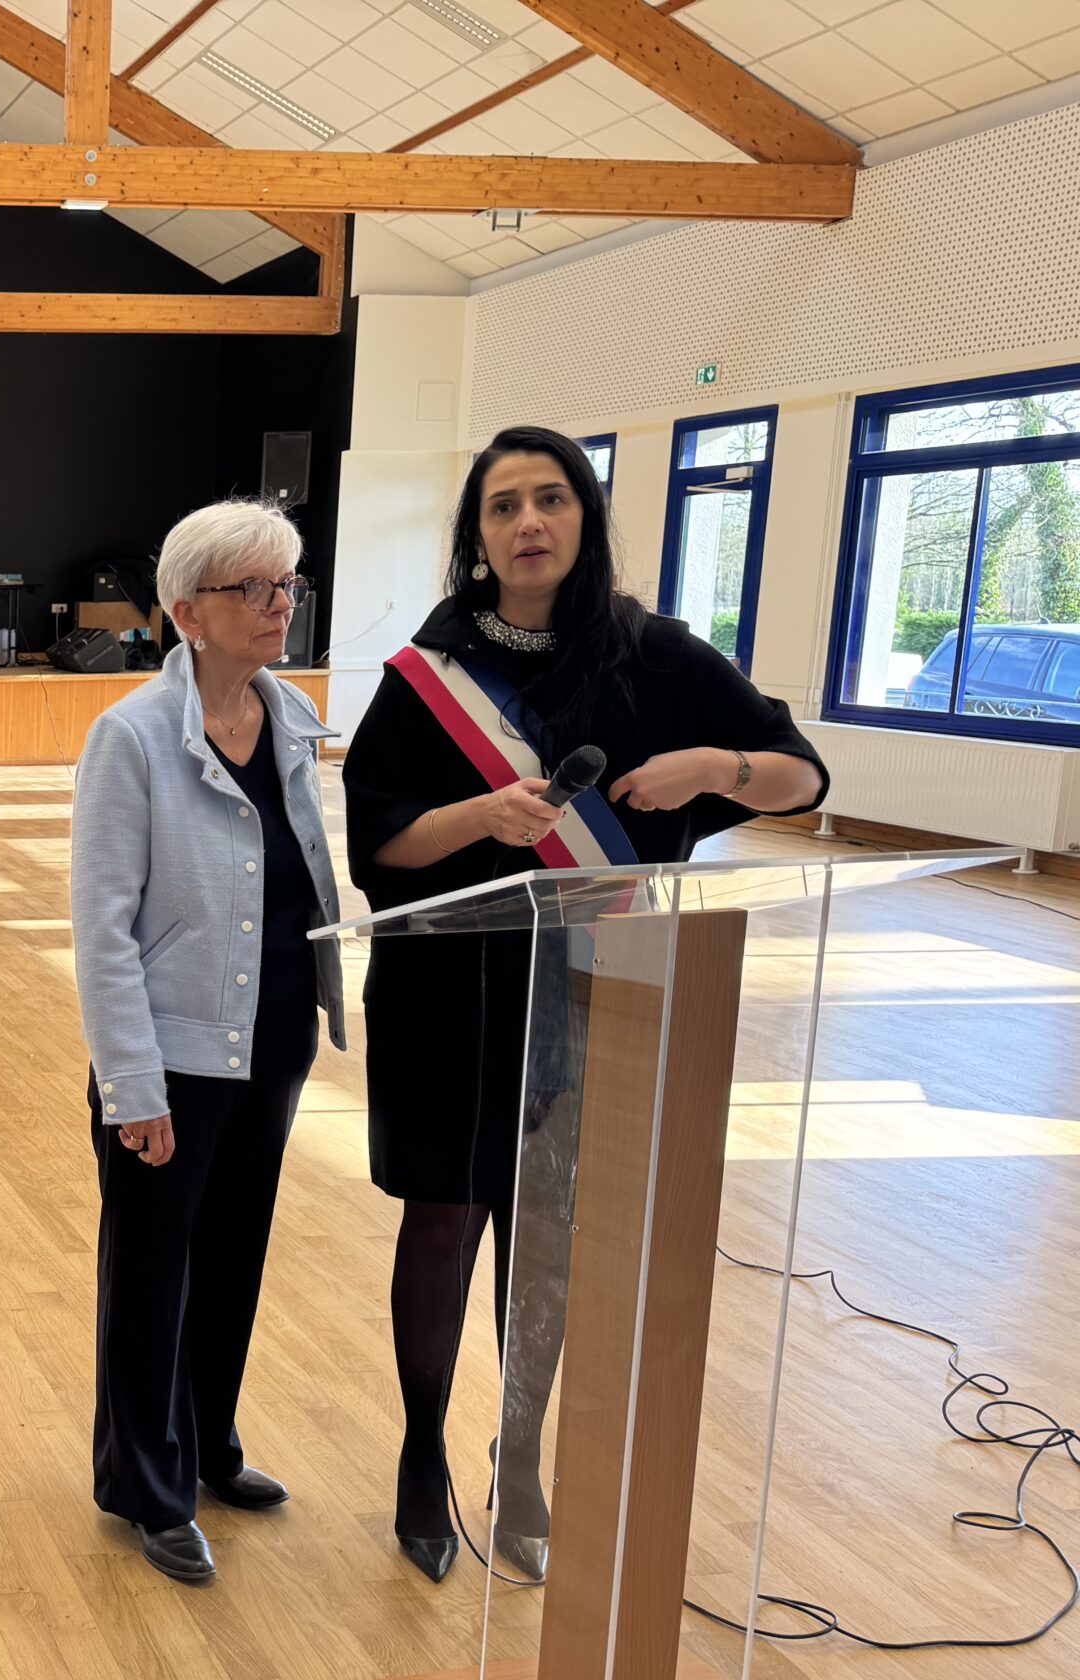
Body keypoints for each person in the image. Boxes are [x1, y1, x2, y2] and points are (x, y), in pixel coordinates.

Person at [342, 425, 827, 1585]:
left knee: (549, 1232)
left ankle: (521, 1458)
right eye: (503, 505)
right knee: (444, 1218)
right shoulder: (426, 673)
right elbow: (378, 846)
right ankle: (421, 1454)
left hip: (597, 991)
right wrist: (479, 817)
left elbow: (802, 776)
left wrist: (713, 769)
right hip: (447, 995)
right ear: (476, 535)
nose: (528, 523)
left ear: (585, 516)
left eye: (550, 498)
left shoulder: (657, 657)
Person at [70, 499, 346, 1584]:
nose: (280, 606)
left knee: (232, 1254)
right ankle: (148, 1483)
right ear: (186, 611)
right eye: (254, 589)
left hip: (272, 1032)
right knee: (151, 1272)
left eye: (287, 585)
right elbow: (101, 928)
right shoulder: (131, 736)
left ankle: (207, 1446)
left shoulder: (291, 715)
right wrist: (130, 1086)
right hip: (172, 1051)